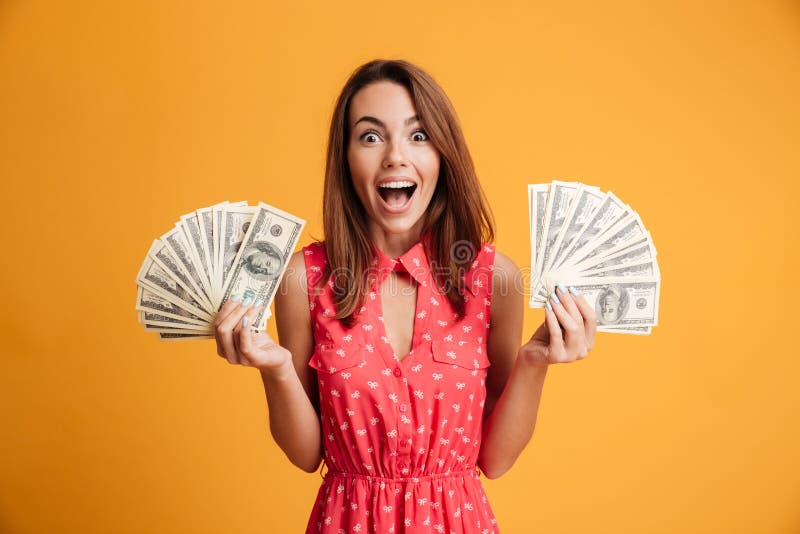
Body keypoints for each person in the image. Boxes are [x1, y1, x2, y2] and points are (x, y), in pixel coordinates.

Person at [212, 59, 598, 533]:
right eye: (370, 136)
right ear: (346, 158)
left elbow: (495, 460)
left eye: (418, 135)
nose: (395, 156)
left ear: (443, 154)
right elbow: (305, 454)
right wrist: (274, 369)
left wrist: (535, 362)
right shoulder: (304, 278)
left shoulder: (493, 278)